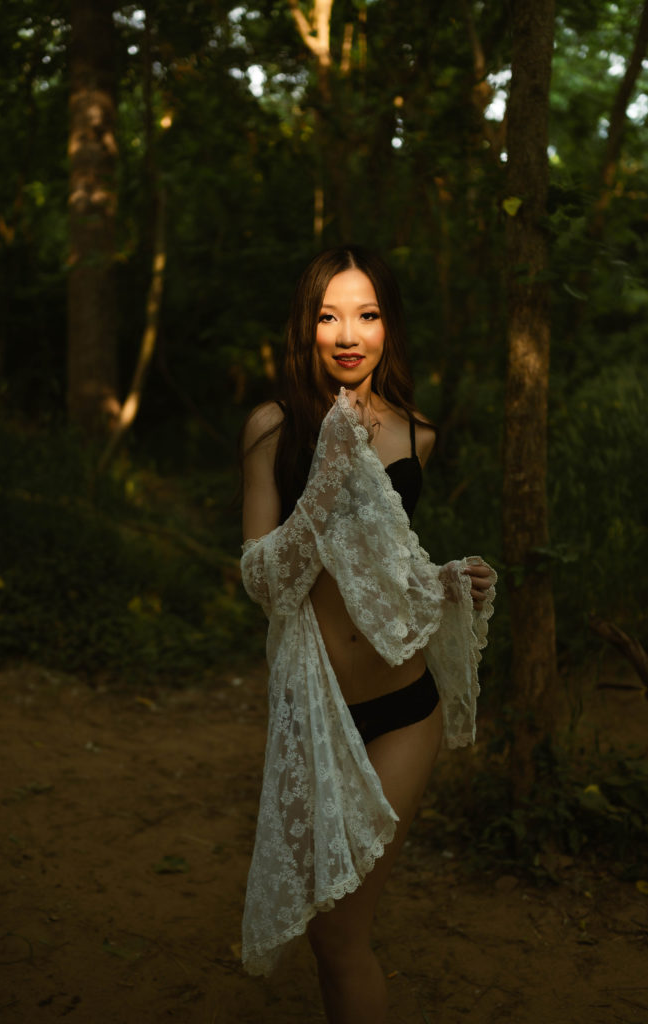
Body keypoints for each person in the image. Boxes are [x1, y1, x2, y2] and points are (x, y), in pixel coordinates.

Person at [240, 245, 496, 1023]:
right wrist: (320, 479)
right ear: (305, 326)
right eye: (328, 316)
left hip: (401, 710)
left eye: (367, 314)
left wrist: (449, 582)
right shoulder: (272, 424)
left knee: (344, 934)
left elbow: (387, 569)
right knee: (326, 941)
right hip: (316, 713)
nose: (348, 334)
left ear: (388, 324)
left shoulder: (416, 432)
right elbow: (263, 581)